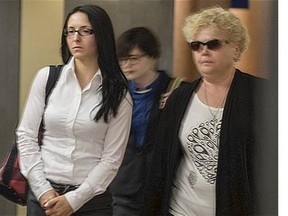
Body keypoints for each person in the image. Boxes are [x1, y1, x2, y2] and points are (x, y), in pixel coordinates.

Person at [142, 6, 273, 216]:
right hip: (181, 209)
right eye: (196, 45)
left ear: (236, 49)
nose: (204, 51)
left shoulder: (261, 94)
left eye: (213, 44)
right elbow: (161, 164)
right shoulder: (179, 98)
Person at [17, 4, 132, 216]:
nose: (75, 38)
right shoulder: (48, 78)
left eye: (85, 31)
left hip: (91, 202)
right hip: (44, 196)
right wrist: (43, 190)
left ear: (101, 36)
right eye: (70, 31)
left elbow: (111, 159)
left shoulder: (118, 93)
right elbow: (26, 136)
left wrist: (74, 201)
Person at [109, 27, 173, 216]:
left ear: (152, 56)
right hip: (124, 187)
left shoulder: (175, 90)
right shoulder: (116, 93)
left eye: (134, 58)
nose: (127, 64)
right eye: (122, 59)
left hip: (161, 188)